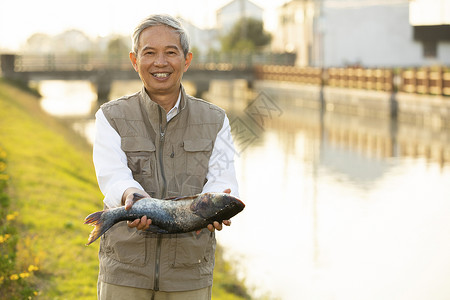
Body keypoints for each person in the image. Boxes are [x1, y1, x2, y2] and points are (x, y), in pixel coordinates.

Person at [92, 14, 239, 300]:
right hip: (125, 270)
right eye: (150, 53)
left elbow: (223, 178)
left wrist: (211, 208)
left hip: (189, 273)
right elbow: (112, 176)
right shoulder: (110, 116)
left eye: (171, 52)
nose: (160, 62)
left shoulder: (216, 119)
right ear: (135, 61)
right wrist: (132, 197)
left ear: (186, 60)